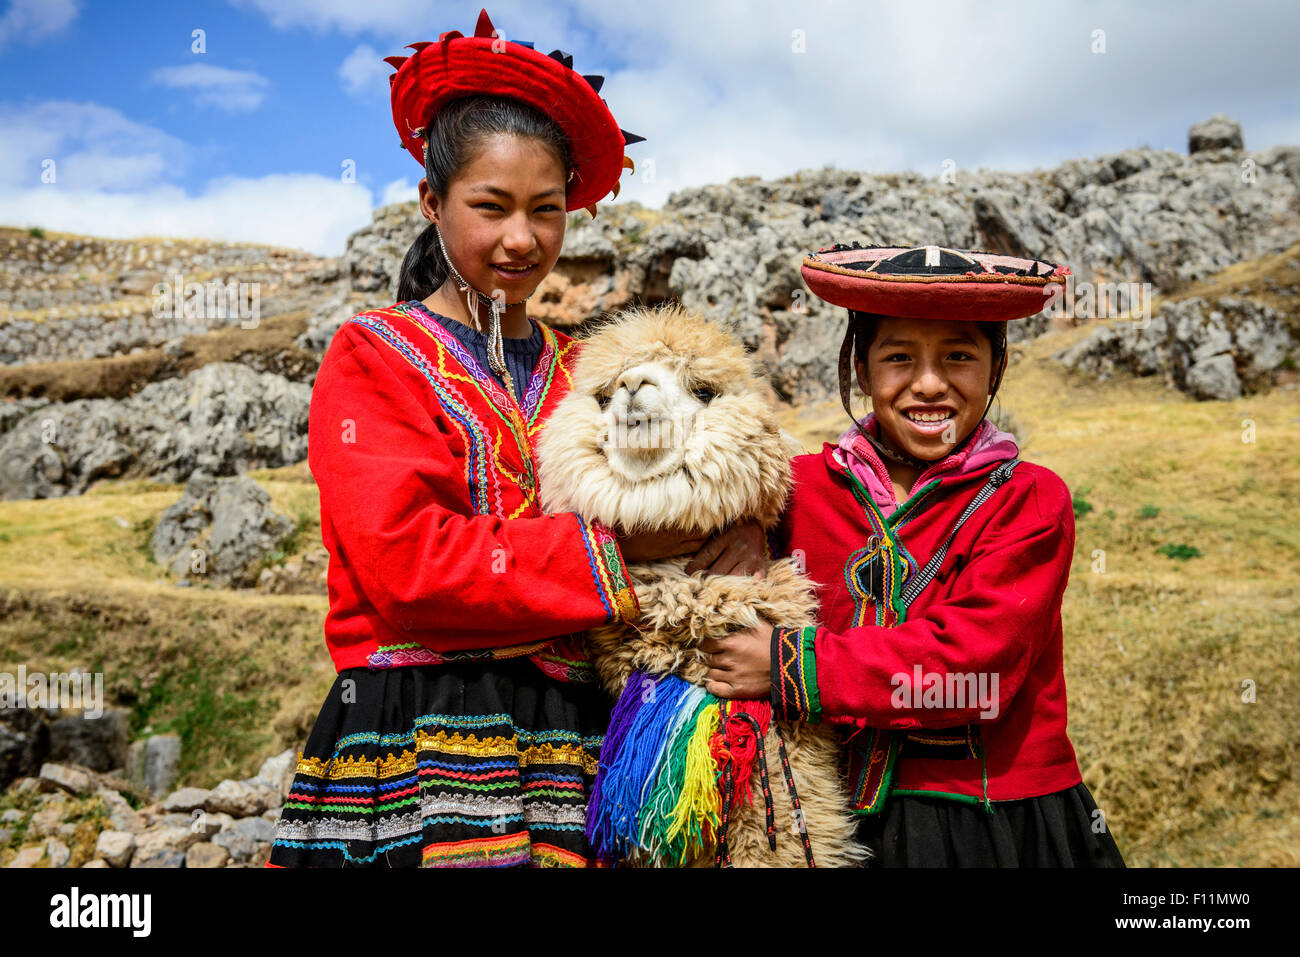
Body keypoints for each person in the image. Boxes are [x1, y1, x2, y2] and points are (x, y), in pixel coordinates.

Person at [268, 10, 763, 868]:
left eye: (547, 210)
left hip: (578, 737)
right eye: (490, 207)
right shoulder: (371, 357)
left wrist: (739, 530)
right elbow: (406, 563)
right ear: (432, 202)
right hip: (417, 730)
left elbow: (695, 472)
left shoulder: (591, 372)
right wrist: (626, 552)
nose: (523, 238)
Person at [702, 244, 1125, 867]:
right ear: (862, 370)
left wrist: (788, 665)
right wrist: (741, 516)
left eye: (959, 355)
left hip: (987, 821)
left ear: (996, 365)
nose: (929, 383)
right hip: (822, 818)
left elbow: (976, 667)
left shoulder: (1029, 500)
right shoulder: (790, 489)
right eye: (899, 357)